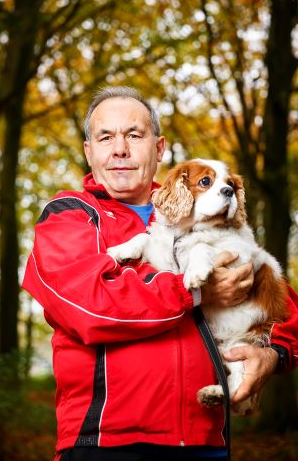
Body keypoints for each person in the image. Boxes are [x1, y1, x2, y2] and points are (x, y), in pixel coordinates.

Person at [23, 86, 298, 461]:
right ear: (90, 152)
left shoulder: (205, 214)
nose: (120, 149)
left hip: (205, 439)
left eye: (134, 135)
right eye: (106, 137)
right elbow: (92, 305)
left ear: (159, 148)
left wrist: (274, 355)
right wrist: (197, 292)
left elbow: (282, 302)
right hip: (105, 442)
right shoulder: (69, 214)